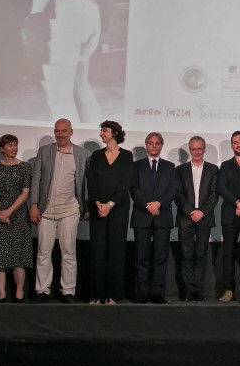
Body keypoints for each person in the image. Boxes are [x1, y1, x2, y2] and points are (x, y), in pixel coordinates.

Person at [30, 118, 89, 303]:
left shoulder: (83, 154)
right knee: (43, 252)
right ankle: (42, 291)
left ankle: (68, 291)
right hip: (46, 210)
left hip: (70, 209)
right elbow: (36, 179)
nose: (60, 134)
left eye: (64, 131)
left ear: (71, 132)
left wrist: (85, 207)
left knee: (68, 252)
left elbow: (86, 184)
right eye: (57, 131)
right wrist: (33, 205)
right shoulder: (44, 151)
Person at [86, 120, 134, 304]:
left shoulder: (127, 156)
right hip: (98, 208)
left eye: (104, 130)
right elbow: (92, 182)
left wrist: (110, 204)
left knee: (116, 251)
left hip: (118, 209)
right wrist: (99, 203)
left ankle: (112, 294)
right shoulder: (97, 155)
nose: (101, 134)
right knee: (97, 252)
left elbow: (125, 183)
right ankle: (97, 295)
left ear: (114, 133)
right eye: (101, 131)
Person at [131, 132, 177, 304]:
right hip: (142, 216)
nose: (154, 146)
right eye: (151, 143)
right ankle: (142, 292)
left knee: (160, 257)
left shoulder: (170, 166)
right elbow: (133, 189)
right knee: (141, 257)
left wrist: (159, 204)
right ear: (146, 146)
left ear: (162, 145)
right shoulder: (136, 166)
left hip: (162, 216)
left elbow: (173, 189)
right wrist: (148, 205)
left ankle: (158, 293)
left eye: (157, 143)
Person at [0, 133, 32, 303]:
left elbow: (26, 193)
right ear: (2, 148)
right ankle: (1, 293)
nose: (14, 148)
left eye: (15, 145)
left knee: (18, 255)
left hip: (18, 214)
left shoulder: (24, 166)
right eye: (10, 145)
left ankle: (19, 292)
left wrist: (9, 211)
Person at [175, 136, 219, 301]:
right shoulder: (180, 170)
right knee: (186, 255)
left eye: (199, 148)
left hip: (204, 218)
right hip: (185, 218)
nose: (197, 152)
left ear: (204, 149)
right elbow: (177, 194)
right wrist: (191, 211)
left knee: (201, 254)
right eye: (193, 149)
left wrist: (202, 212)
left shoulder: (213, 169)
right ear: (189, 149)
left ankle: (198, 290)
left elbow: (215, 194)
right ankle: (188, 290)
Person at [216, 131, 240, 302]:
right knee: (228, 254)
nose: (238, 144)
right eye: (235, 142)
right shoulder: (225, 165)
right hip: (230, 214)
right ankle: (228, 290)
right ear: (231, 146)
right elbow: (221, 187)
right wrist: (237, 202)